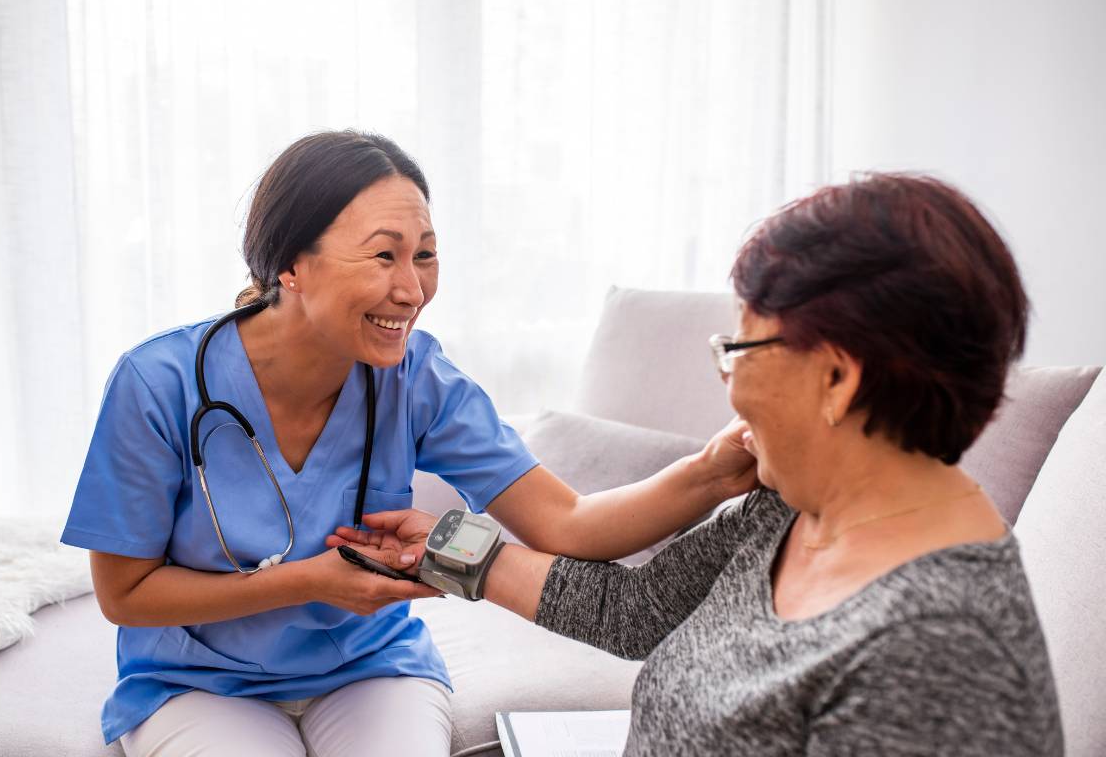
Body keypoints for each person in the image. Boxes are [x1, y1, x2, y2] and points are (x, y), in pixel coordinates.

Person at [60, 130, 752, 756]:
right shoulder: (159, 384)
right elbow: (125, 593)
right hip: (197, 682)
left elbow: (565, 523)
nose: (413, 288)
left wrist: (711, 473)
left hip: (371, 669)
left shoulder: (418, 378)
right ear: (291, 265)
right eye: (383, 256)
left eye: (425, 255)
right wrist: (307, 581)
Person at [338, 173, 1064, 755]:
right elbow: (634, 612)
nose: (729, 380)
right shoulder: (793, 509)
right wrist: (438, 548)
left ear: (837, 380)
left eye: (740, 349)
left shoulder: (939, 653)